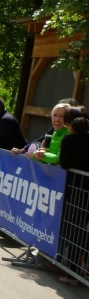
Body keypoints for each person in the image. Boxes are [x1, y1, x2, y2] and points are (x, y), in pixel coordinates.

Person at [58, 107, 89, 285]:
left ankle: (72, 274)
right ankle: (82, 268)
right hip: (86, 190)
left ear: (70, 126)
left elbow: (64, 163)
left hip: (76, 190)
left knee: (73, 232)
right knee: (83, 230)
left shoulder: (69, 140)